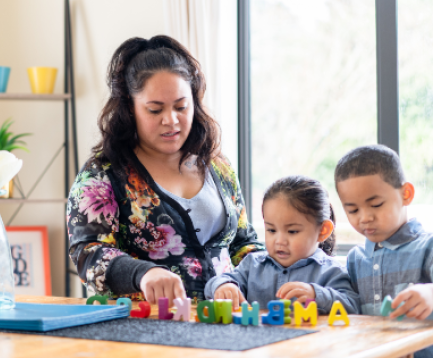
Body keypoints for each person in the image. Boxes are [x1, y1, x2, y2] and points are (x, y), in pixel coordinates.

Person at [66, 35, 264, 304]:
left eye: (181, 106)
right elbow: (87, 253)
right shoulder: (103, 174)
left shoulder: (218, 166)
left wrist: (287, 269)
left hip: (227, 321)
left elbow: (243, 243)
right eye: (155, 110)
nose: (171, 120)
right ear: (130, 108)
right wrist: (143, 274)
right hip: (148, 326)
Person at [204, 175, 359, 313]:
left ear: (323, 231)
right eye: (271, 230)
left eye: (292, 232)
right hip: (258, 343)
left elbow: (353, 305)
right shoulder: (252, 265)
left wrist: (315, 294)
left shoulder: (331, 271)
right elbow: (214, 283)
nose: (279, 241)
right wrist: (224, 286)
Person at [335, 146, 433, 331]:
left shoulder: (427, 246)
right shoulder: (356, 259)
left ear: (406, 194)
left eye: (376, 204)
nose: (364, 218)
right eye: (353, 210)